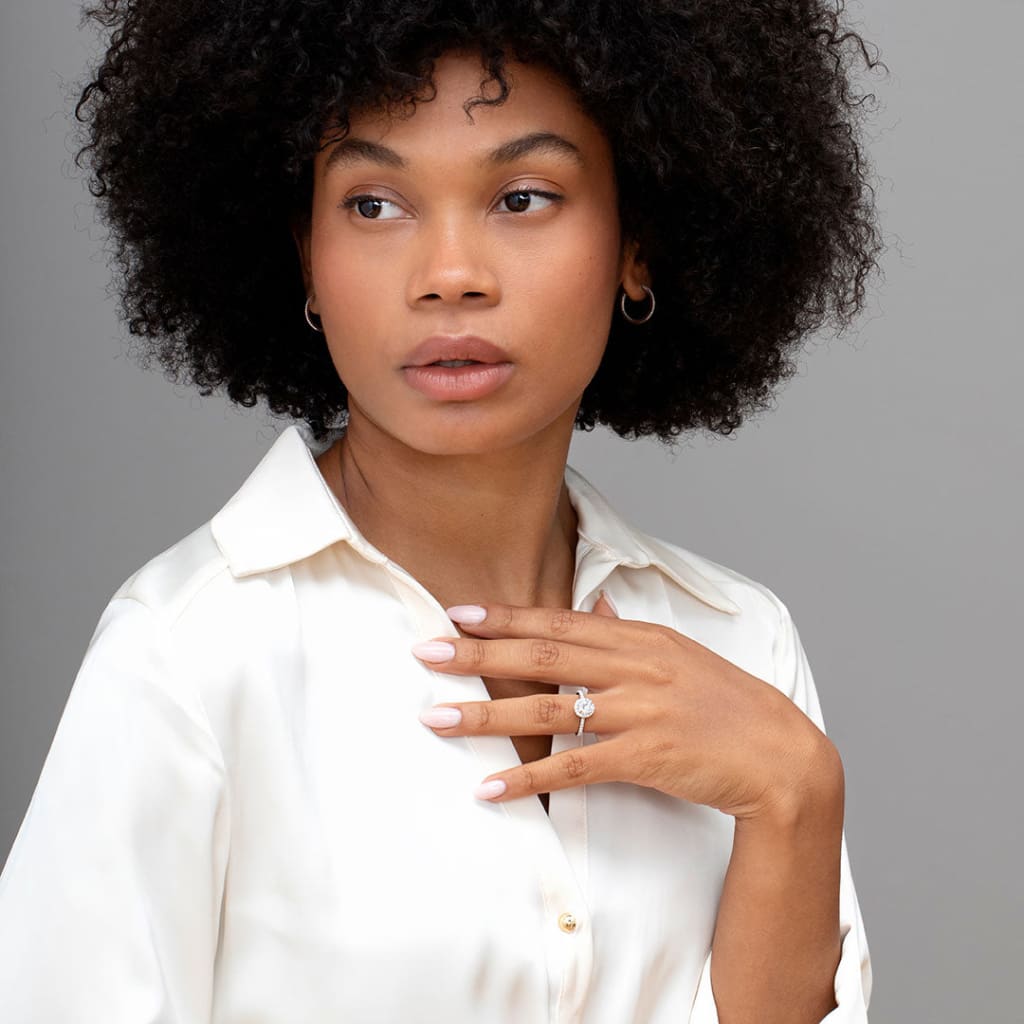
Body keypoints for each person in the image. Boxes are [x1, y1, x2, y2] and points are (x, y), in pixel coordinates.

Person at [0, 1, 884, 1021]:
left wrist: (797, 797)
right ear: (305, 261)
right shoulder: (189, 656)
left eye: (521, 196)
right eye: (374, 204)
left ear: (637, 243)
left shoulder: (738, 639)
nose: (449, 276)